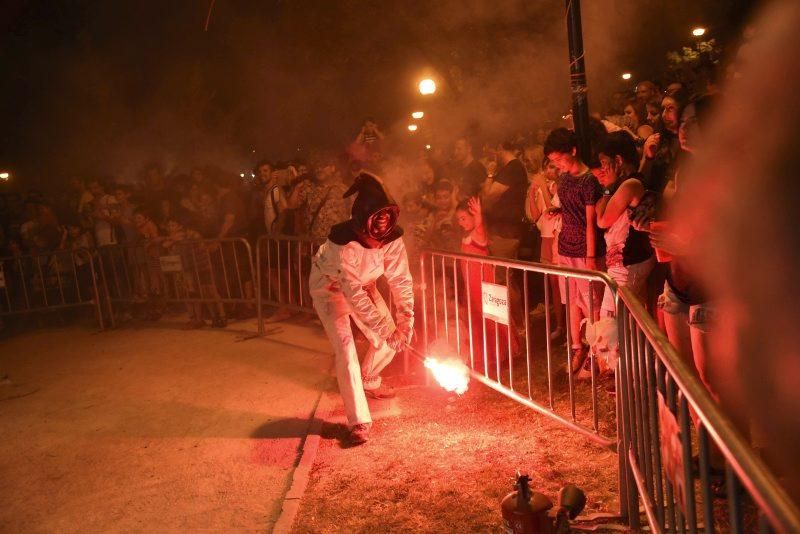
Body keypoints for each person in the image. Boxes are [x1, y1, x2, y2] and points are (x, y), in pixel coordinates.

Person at [309, 173, 414, 445]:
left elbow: (400, 280)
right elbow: (352, 293)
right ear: (361, 225)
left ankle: (369, 378)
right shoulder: (342, 245)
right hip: (330, 288)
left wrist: (404, 323)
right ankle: (359, 421)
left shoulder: (391, 239)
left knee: (392, 339)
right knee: (346, 350)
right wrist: (387, 329)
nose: (380, 245)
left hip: (363, 285)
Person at [544, 128, 605, 374]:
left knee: (592, 302)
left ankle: (597, 352)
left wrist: (591, 257)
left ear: (573, 150)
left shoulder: (589, 180)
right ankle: (576, 347)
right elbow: (570, 208)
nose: (557, 164)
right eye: (553, 161)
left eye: (560, 159)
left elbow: (590, 222)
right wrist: (558, 212)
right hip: (565, 247)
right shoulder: (564, 178)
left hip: (584, 250)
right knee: (571, 301)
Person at [593, 132, 655, 317]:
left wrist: (605, 189)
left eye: (604, 162)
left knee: (611, 323)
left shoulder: (629, 185)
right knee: (630, 321)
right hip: (626, 264)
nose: (602, 169)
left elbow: (602, 220)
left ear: (618, 160)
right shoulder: (628, 183)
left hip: (628, 265)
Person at [526, 157, 565, 340]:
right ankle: (560, 325)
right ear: (543, 168)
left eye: (557, 167)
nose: (554, 171)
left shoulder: (557, 186)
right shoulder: (541, 186)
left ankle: (573, 330)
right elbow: (535, 217)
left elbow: (552, 211)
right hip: (545, 239)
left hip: (558, 237)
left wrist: (541, 186)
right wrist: (533, 190)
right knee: (554, 286)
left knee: (565, 285)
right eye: (550, 167)